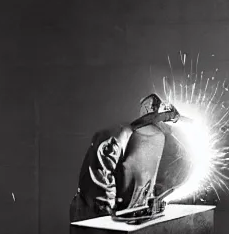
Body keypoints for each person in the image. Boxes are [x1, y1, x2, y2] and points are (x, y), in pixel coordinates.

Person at [69, 94, 185, 223]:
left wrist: (150, 201)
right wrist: (107, 219)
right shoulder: (118, 136)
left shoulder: (155, 140)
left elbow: (141, 184)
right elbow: (97, 189)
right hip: (92, 219)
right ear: (148, 110)